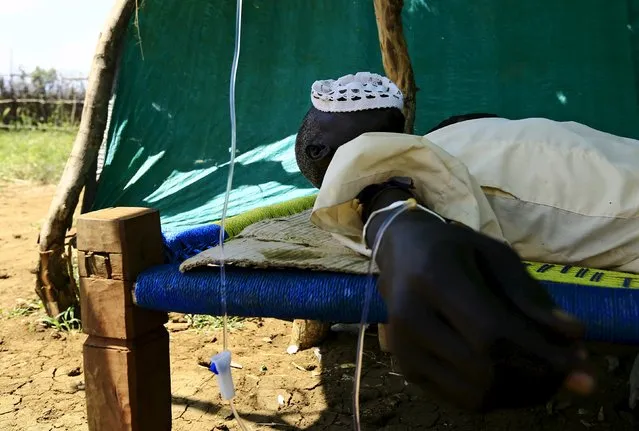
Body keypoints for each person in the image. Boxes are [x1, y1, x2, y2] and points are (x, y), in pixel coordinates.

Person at [295, 72, 639, 411]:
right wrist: (409, 242)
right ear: (318, 148)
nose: (350, 87)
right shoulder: (393, 177)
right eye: (335, 99)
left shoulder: (437, 139)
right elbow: (392, 205)